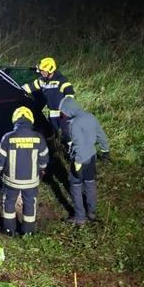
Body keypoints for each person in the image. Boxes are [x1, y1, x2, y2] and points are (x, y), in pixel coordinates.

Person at [0, 106, 49, 236]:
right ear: (30, 119)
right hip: (31, 182)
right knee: (30, 204)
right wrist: (41, 170)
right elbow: (44, 160)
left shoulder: (8, 138)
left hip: (11, 182)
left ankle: (9, 230)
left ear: (15, 120)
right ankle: (28, 232)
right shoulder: (39, 138)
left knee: (9, 204)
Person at [59, 96, 110, 227]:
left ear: (68, 110)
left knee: (75, 187)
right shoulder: (90, 116)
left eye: (63, 112)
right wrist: (105, 150)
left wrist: (77, 161)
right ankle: (92, 213)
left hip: (80, 159)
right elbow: (101, 135)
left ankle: (80, 217)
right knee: (90, 183)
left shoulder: (74, 123)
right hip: (92, 156)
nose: (63, 115)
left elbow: (78, 144)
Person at [22, 57, 74, 140]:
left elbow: (70, 95)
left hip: (63, 113)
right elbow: (30, 87)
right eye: (41, 71)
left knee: (67, 135)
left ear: (50, 69)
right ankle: (57, 149)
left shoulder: (62, 81)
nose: (42, 73)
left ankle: (71, 150)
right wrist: (18, 89)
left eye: (43, 71)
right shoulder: (41, 81)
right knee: (53, 135)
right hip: (52, 113)